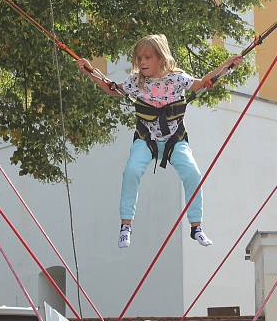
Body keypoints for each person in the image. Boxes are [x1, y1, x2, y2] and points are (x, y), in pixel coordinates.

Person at [76, 34, 243, 249]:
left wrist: (228, 65)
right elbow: (112, 89)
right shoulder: (136, 82)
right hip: (147, 139)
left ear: (161, 58)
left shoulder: (177, 78)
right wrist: (90, 71)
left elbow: (203, 83)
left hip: (175, 139)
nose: (142, 62)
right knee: (131, 171)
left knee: (193, 173)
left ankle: (196, 227)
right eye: (139, 58)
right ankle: (126, 225)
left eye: (148, 57)